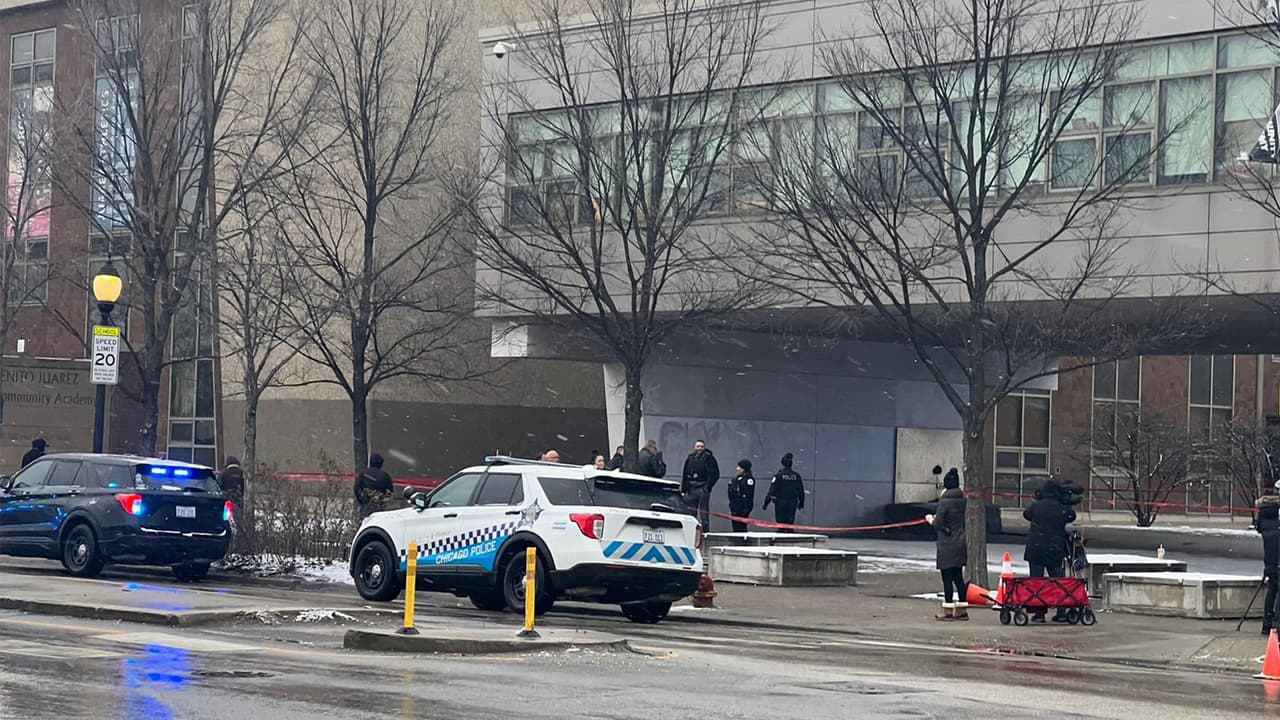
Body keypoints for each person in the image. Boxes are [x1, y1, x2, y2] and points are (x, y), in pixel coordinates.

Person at [1023, 478, 1077, 623]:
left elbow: (1026, 514)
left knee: (1037, 581)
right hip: (1054, 549)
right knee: (1057, 581)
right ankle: (1061, 611)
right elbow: (1071, 516)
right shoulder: (1061, 508)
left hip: (1036, 549)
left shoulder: (1036, 506)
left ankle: (1039, 613)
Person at [926, 468, 968, 621]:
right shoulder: (963, 499)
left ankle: (948, 610)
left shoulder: (944, 502)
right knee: (958, 577)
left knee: (947, 577)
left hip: (947, 543)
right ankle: (962, 610)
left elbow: (938, 523)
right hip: (960, 541)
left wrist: (930, 519)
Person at [681, 440, 720, 529]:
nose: (699, 448)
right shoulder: (690, 458)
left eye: (701, 446)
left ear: (704, 447)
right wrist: (684, 489)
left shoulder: (709, 458)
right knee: (691, 511)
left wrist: (708, 487)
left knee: (704, 512)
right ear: (694, 447)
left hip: (703, 487)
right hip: (691, 488)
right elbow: (685, 474)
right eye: (697, 446)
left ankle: (705, 530)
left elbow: (715, 474)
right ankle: (690, 529)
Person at [764, 453, 805, 533]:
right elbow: (801, 491)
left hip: (780, 502)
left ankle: (781, 539)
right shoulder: (796, 476)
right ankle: (790, 539)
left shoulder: (779, 475)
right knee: (790, 523)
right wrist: (801, 503)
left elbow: (772, 490)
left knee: (780, 524)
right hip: (792, 502)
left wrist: (766, 503)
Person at [1258, 488, 1280, 635]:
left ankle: (1267, 623)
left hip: (1270, 562)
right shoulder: (1277, 524)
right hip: (1278, 561)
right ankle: (1276, 623)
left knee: (1272, 589)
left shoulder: (1265, 522)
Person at [354, 454, 394, 518]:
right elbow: (390, 492)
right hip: (380, 508)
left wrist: (361, 500)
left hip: (366, 506)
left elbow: (356, 488)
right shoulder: (385, 476)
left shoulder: (363, 473)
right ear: (381, 464)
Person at [727, 459, 756, 532]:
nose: (737, 469)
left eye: (739, 467)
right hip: (735, 505)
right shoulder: (736, 479)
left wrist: (746, 507)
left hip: (742, 506)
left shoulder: (748, 479)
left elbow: (748, 494)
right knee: (735, 526)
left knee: (741, 527)